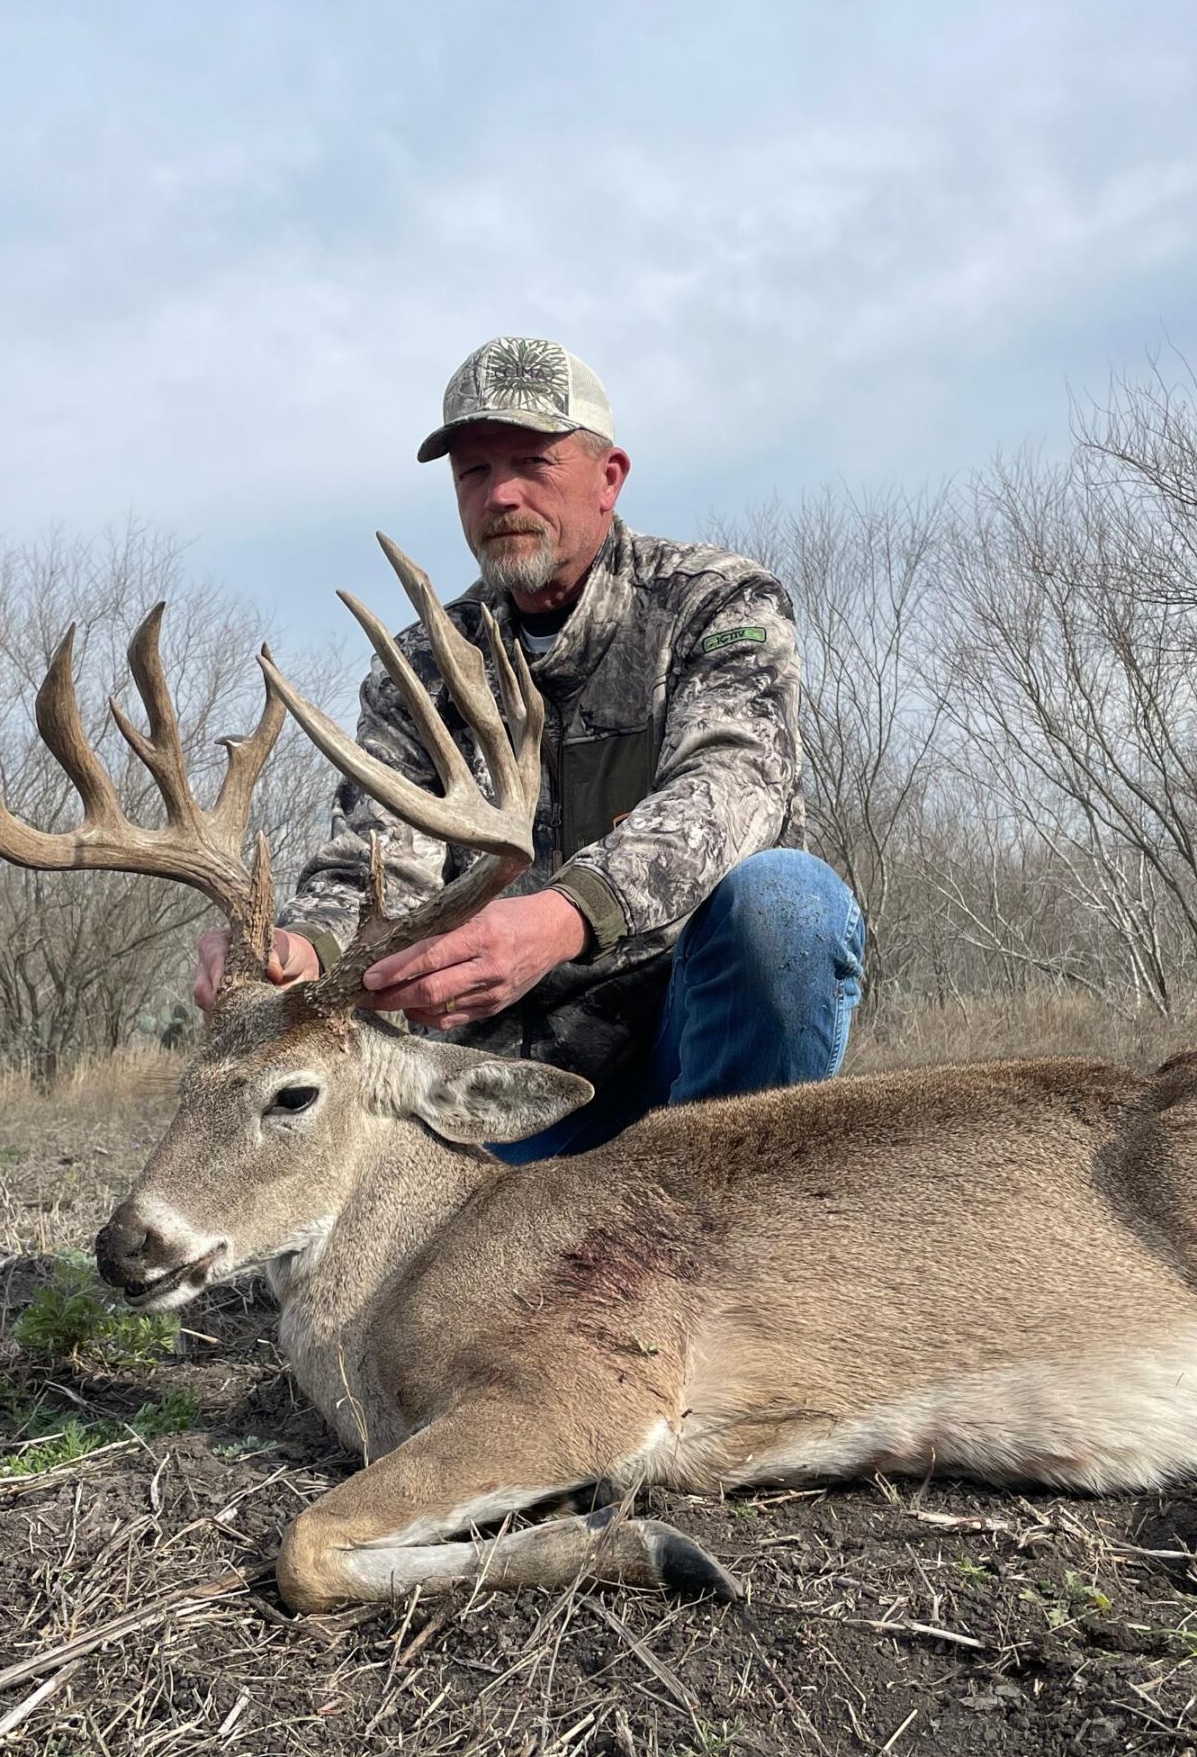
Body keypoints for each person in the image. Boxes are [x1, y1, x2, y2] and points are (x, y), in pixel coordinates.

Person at [195, 335, 865, 1160]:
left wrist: (563, 916)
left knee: (786, 903)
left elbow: (732, 784)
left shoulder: (715, 603)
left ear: (608, 477)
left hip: (694, 1044)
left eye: (532, 463)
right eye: (474, 472)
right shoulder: (424, 667)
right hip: (512, 1083)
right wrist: (298, 947)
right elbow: (377, 863)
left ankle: (739, 1199)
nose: (501, 493)